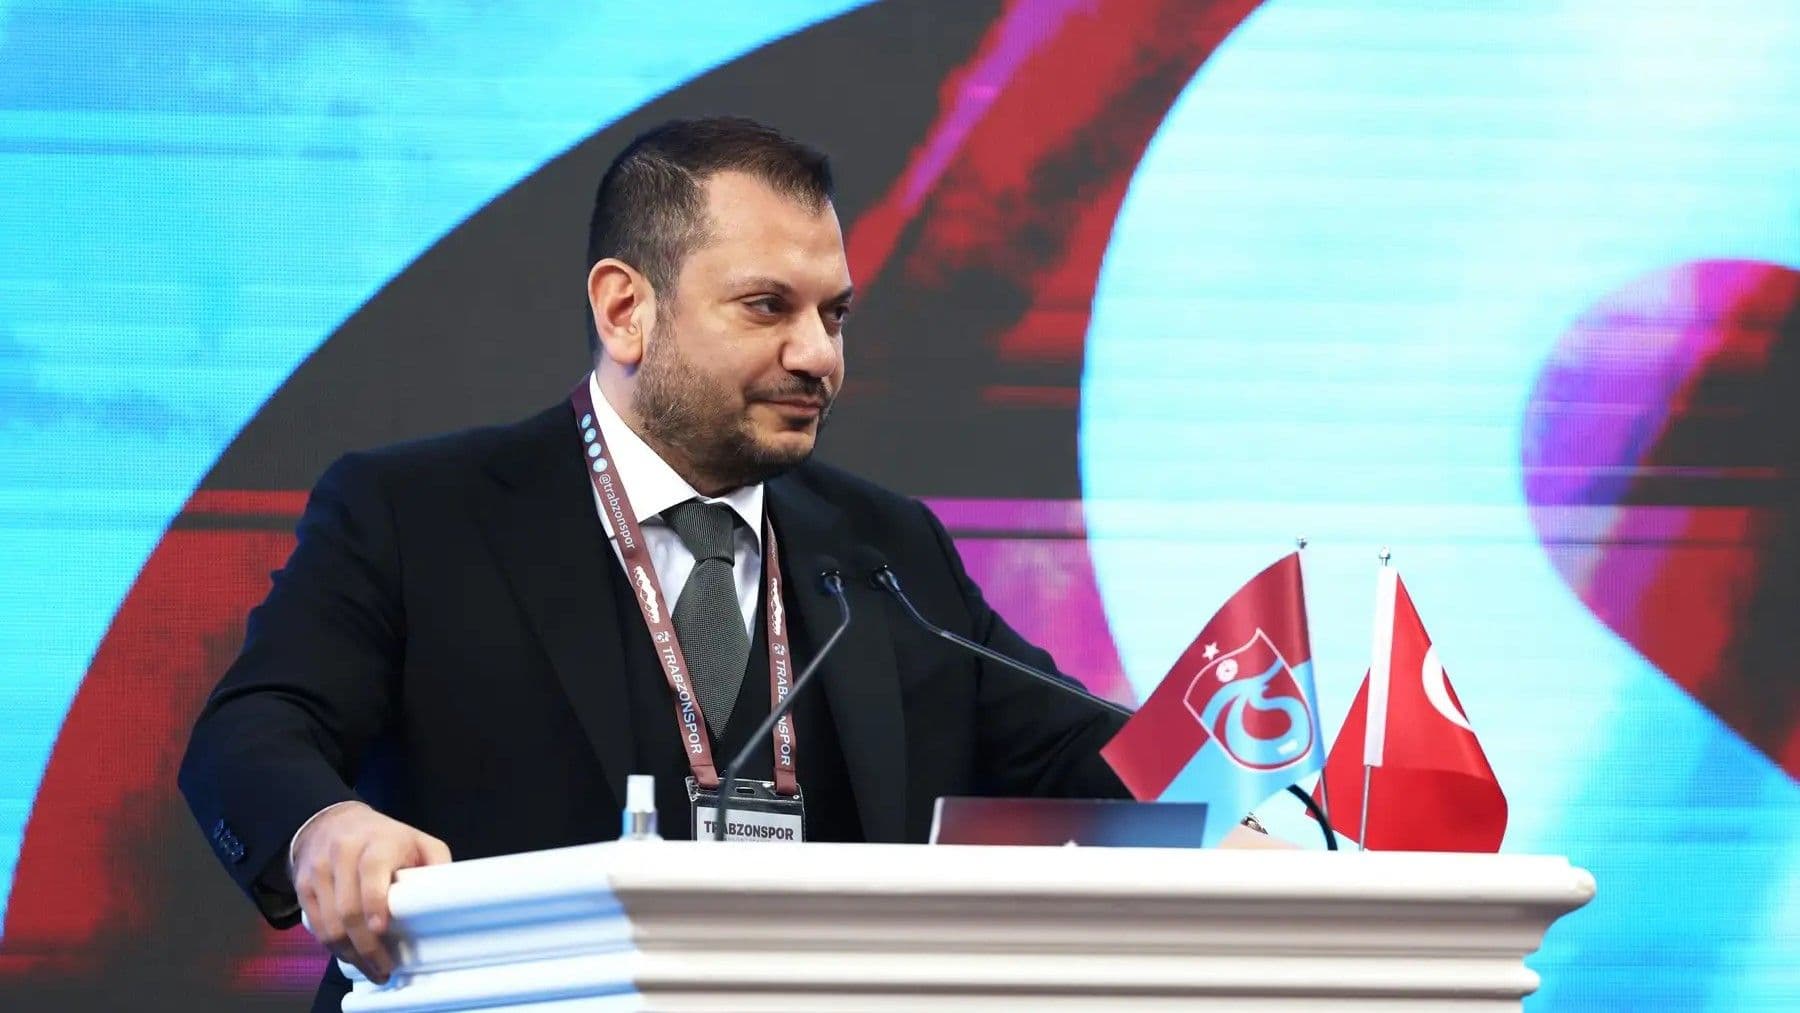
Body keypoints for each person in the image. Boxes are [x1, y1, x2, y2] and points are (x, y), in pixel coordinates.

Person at [178, 116, 1130, 1012]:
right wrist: (323, 825)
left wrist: (1210, 746)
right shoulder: (417, 513)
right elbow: (253, 728)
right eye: (768, 306)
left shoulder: (886, 548)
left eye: (834, 315)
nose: (818, 355)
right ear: (626, 309)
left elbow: (1082, 756)